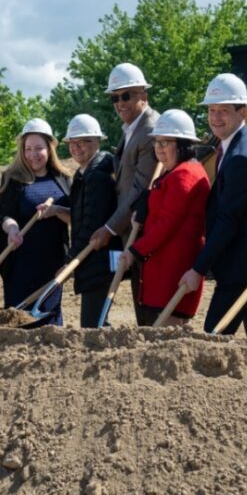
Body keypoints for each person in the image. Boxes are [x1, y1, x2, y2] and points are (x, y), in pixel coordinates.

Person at [179, 74, 247, 374]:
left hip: (244, 262)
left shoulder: (242, 157)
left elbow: (228, 221)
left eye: (223, 110)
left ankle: (210, 391)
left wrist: (198, 269)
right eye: (212, 110)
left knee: (214, 334)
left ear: (243, 111)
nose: (216, 117)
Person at [118, 109, 210, 326]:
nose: (158, 148)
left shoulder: (184, 174)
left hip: (170, 274)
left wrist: (135, 251)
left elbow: (167, 223)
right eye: (157, 142)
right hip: (160, 272)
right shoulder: (173, 172)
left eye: (165, 143)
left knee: (166, 336)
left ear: (182, 144)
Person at [88, 63, 160, 326]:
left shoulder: (150, 131)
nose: (120, 103)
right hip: (131, 231)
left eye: (126, 95)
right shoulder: (132, 129)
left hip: (144, 231)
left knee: (149, 309)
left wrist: (109, 228)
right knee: (141, 304)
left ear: (144, 95)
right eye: (115, 97)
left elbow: (140, 190)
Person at [0, 119, 71, 325]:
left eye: (38, 148)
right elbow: (6, 215)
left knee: (50, 320)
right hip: (22, 261)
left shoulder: (63, 178)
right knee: (20, 320)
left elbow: (73, 217)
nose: (32, 155)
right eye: (28, 149)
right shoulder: (12, 178)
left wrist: (56, 211)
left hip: (53, 261)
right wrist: (12, 229)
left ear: (49, 147)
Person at [59, 114, 117, 328]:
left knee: (93, 325)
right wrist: (58, 210)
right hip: (89, 261)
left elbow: (91, 223)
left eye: (82, 142)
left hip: (97, 260)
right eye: (72, 143)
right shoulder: (83, 175)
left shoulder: (98, 178)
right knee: (95, 323)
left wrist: (70, 260)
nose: (76, 147)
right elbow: (81, 215)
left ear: (97, 142)